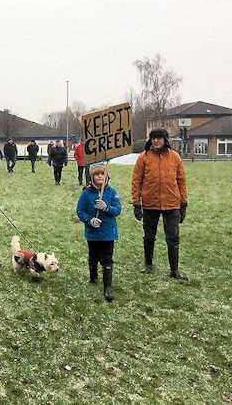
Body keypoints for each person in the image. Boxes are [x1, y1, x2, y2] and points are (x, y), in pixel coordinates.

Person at [131, 127, 188, 280]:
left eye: (159, 138)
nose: (156, 141)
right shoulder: (144, 157)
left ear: (165, 140)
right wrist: (136, 203)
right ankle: (148, 264)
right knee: (149, 236)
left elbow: (181, 181)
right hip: (150, 204)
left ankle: (174, 270)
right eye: (153, 138)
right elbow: (137, 180)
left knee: (173, 238)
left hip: (172, 204)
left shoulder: (175, 157)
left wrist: (183, 203)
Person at [77, 164, 121, 301]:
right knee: (93, 255)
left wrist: (107, 208)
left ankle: (107, 288)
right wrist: (89, 220)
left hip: (108, 232)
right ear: (92, 177)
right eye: (97, 174)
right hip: (93, 233)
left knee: (107, 258)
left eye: (102, 174)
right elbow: (80, 211)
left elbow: (117, 210)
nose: (100, 176)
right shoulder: (86, 194)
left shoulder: (112, 192)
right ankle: (93, 275)